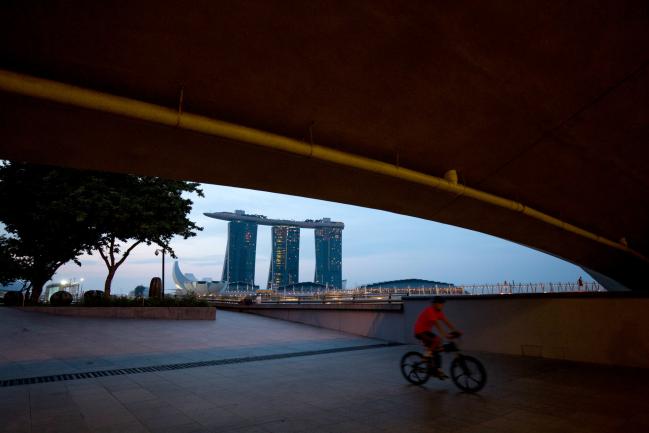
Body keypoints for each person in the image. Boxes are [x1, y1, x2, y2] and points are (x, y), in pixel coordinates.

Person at [414, 296, 461, 378]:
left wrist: (456, 330)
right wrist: (445, 334)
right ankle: (426, 355)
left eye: (443, 303)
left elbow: (447, 322)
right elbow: (437, 324)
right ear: (435, 304)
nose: (442, 305)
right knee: (437, 340)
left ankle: (437, 370)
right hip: (419, 332)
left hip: (426, 332)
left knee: (437, 349)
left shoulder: (439, 312)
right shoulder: (430, 310)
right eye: (441, 303)